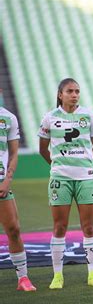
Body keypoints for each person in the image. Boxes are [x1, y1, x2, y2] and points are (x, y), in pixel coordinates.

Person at [38, 78, 93, 289]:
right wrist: (58, 166)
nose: (74, 94)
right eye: (70, 91)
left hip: (86, 177)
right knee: (60, 227)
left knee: (89, 227)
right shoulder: (50, 118)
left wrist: (84, 164)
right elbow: (43, 149)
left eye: (77, 91)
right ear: (60, 94)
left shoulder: (89, 116)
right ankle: (57, 276)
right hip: (60, 178)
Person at [0, 105, 36, 291]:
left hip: (1, 184)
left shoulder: (8, 118)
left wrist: (8, 178)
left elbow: (13, 154)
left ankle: (22, 278)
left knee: (13, 229)